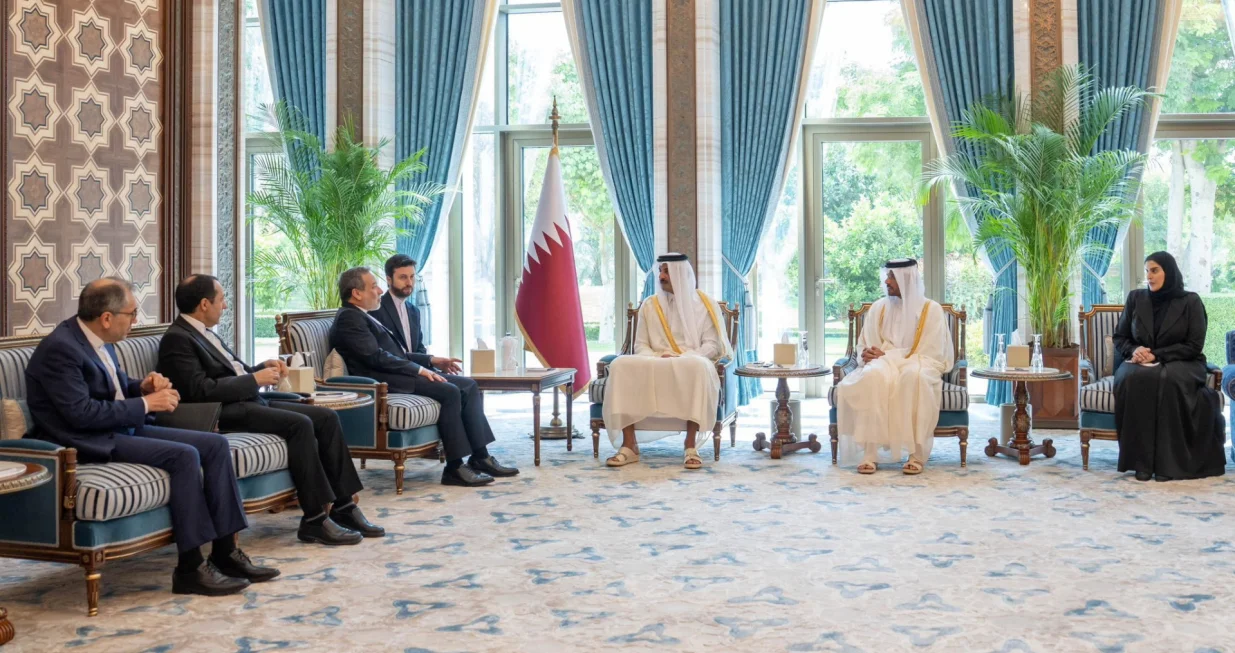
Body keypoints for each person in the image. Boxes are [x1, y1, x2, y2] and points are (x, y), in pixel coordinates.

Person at [25, 278, 278, 596]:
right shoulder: (61, 350)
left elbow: (110, 387)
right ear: (106, 317)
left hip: (115, 428)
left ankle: (226, 552)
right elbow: (82, 414)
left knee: (215, 444)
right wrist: (145, 403)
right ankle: (190, 569)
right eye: (131, 314)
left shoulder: (96, 339)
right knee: (184, 455)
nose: (135, 320)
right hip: (82, 440)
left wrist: (140, 387)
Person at [158, 274, 384, 545]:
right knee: (300, 424)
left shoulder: (203, 332)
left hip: (246, 401)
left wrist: (259, 369)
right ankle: (314, 519)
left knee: (326, 417)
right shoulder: (177, 338)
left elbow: (230, 373)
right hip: (221, 412)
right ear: (205, 304)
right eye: (222, 300)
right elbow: (199, 390)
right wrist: (253, 380)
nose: (226, 306)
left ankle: (345, 507)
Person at [328, 266, 518, 487]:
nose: (380, 290)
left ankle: (480, 457)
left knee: (468, 385)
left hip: (395, 373)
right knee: (449, 391)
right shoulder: (349, 319)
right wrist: (418, 370)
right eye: (373, 286)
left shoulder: (363, 316)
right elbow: (375, 357)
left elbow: (394, 354)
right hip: (382, 382)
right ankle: (454, 467)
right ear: (356, 293)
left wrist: (431, 361)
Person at [602, 253, 733, 470]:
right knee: (620, 364)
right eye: (660, 271)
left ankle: (690, 445)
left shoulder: (704, 304)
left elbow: (712, 345)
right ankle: (629, 445)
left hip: (690, 361)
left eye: (666, 271)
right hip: (654, 361)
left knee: (697, 367)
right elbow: (640, 345)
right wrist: (656, 357)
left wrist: (685, 357)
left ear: (680, 274)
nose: (661, 276)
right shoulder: (649, 305)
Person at [1113, 251, 1226, 481]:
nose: (1149, 276)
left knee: (1168, 380)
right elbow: (1120, 337)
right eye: (1147, 271)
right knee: (1132, 379)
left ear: (1169, 272)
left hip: (1183, 361)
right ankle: (1140, 463)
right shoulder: (1136, 299)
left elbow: (1194, 345)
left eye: (1154, 271)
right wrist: (1135, 351)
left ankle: (1168, 464)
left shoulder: (1191, 302)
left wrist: (1155, 355)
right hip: (1138, 360)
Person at [834, 259, 953, 475]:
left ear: (906, 279)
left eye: (892, 277)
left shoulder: (931, 310)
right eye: (887, 276)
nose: (886, 281)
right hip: (883, 362)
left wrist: (887, 355)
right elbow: (865, 343)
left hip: (920, 362)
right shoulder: (879, 308)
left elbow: (932, 351)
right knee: (872, 376)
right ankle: (870, 454)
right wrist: (867, 354)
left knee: (913, 378)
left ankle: (916, 455)